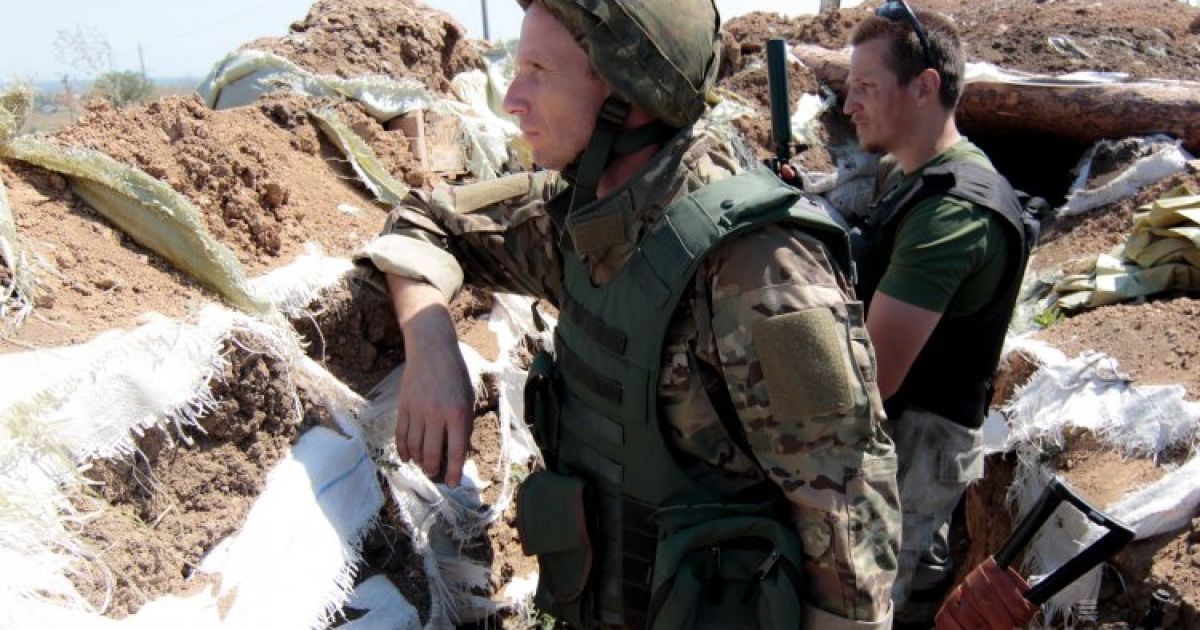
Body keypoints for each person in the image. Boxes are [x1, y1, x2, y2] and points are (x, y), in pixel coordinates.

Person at [362, 0, 900, 627]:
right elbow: (426, 217)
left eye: (538, 70)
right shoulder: (583, 214)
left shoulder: (763, 267)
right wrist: (430, 339)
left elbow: (848, 503)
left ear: (627, 89)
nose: (512, 99)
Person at [840, 1, 1033, 626]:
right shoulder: (918, 177)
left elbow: (870, 380)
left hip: (909, 464)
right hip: (903, 456)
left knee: (865, 608)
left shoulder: (952, 213)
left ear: (924, 87)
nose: (849, 105)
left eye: (866, 87)